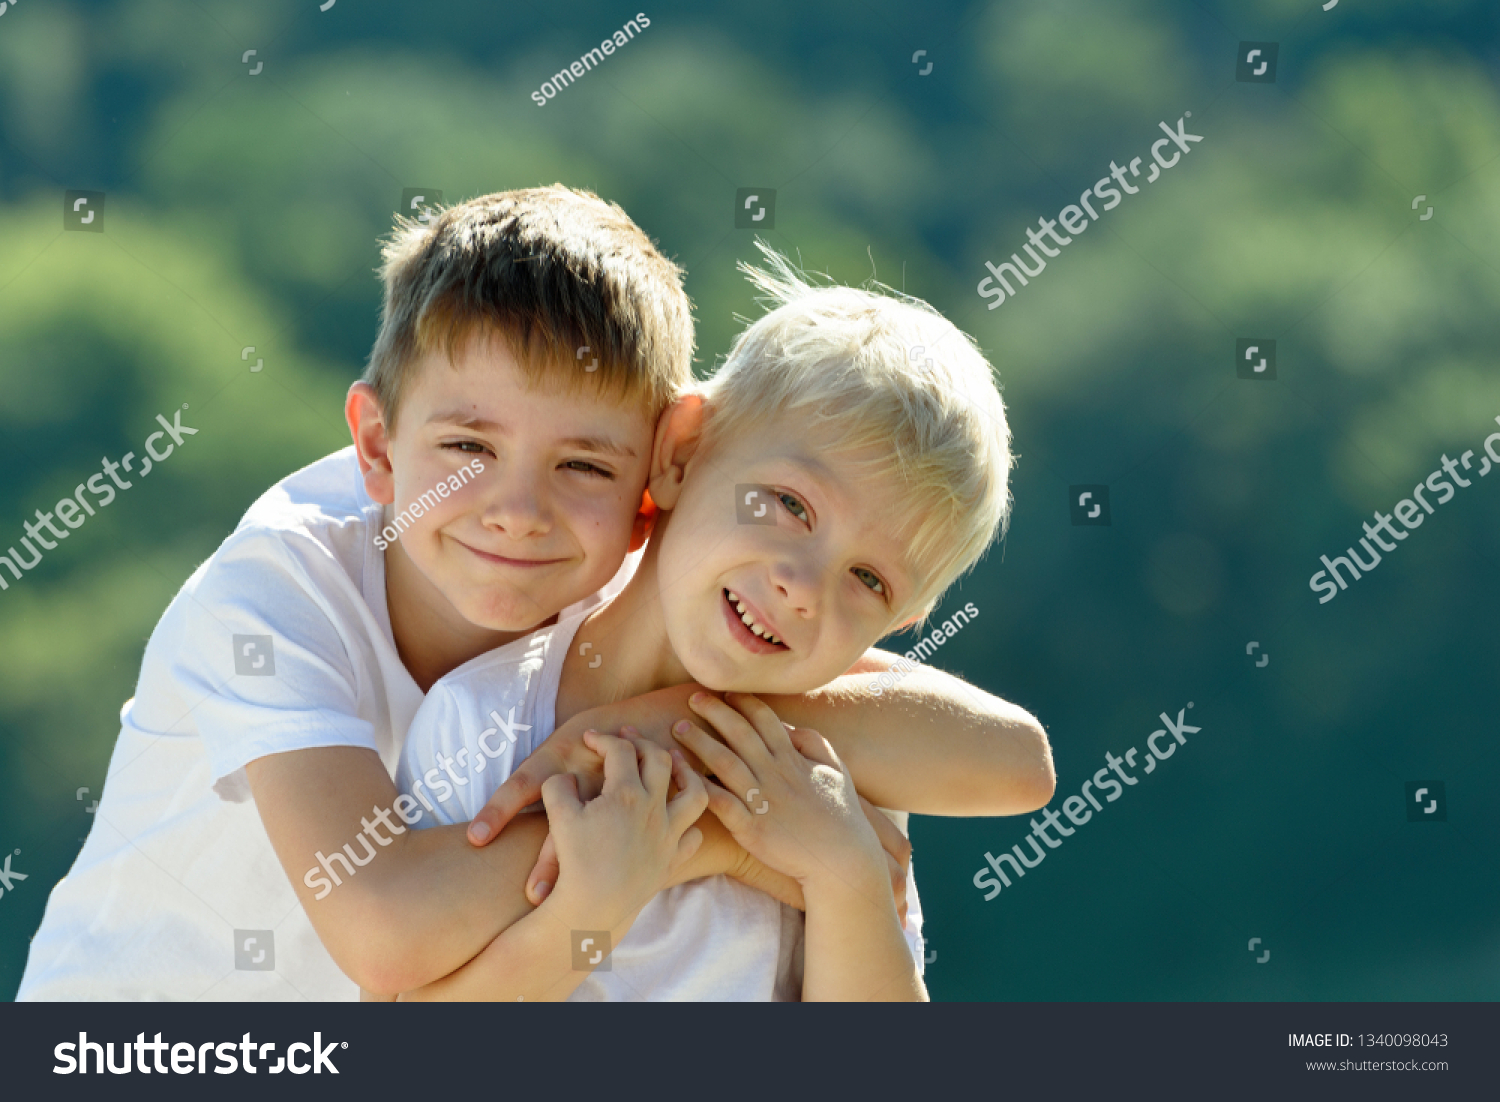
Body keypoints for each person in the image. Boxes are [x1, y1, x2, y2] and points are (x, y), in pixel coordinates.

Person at [18, 188, 1050, 1001]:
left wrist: (675, 748)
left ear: (655, 471)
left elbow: (1013, 759)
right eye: (468, 448)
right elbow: (387, 933)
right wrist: (712, 830)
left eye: (585, 468)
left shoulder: (705, 634)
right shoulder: (281, 593)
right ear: (379, 447)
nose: (517, 512)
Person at [387, 246, 1030, 1000]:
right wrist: (599, 900)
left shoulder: (824, 783)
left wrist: (844, 874)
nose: (802, 590)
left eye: (868, 580)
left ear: (902, 620)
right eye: (790, 505)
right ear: (684, 452)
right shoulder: (481, 730)